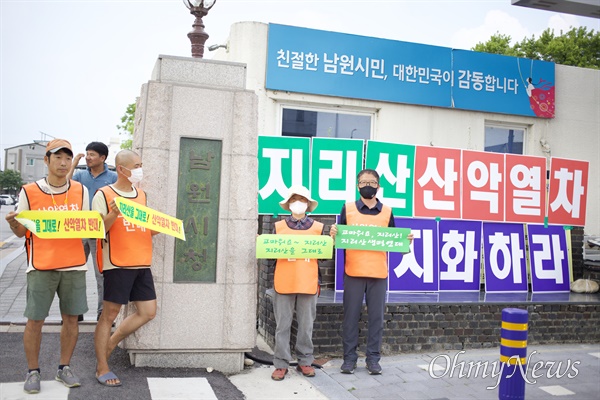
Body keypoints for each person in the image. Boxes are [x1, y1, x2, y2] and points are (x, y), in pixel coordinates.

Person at [5, 139, 90, 394]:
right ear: (47, 160)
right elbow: (21, 233)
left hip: (74, 265)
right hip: (41, 264)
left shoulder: (81, 191)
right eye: (58, 158)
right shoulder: (29, 191)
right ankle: (33, 371)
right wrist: (12, 223)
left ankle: (64, 367)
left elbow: (86, 226)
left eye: (67, 158)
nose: (63, 163)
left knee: (71, 319)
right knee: (35, 320)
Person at [329, 169, 412, 375]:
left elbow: (394, 239)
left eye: (372, 182)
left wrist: (405, 241)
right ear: (358, 185)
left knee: (376, 319)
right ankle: (349, 359)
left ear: (378, 186)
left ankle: (373, 359)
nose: (368, 185)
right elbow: (340, 238)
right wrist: (333, 234)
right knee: (350, 318)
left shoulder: (387, 211)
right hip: (353, 272)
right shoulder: (347, 209)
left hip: (378, 273)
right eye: (363, 181)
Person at [93, 149, 159, 387]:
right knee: (109, 315)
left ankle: (109, 345)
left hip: (141, 261)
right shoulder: (104, 194)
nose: (140, 169)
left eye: (141, 164)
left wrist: (162, 226)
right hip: (117, 263)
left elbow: (145, 227)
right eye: (137, 165)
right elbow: (98, 230)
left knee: (148, 312)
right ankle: (102, 366)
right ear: (122, 169)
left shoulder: (141, 194)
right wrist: (113, 213)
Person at [270, 185, 323, 381]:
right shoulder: (277, 227)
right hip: (284, 281)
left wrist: (332, 241)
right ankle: (281, 363)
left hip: (308, 282)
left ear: (308, 204)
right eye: (294, 199)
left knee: (306, 325)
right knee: (282, 325)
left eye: (302, 199)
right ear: (289, 204)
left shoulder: (319, 228)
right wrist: (262, 243)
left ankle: (305, 361)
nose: (298, 203)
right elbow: (270, 254)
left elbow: (325, 256)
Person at [69, 142, 118, 321]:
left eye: (92, 154)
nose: (87, 157)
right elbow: (65, 187)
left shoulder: (113, 177)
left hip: (100, 231)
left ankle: (101, 312)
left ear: (103, 158)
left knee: (101, 275)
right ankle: (75, 311)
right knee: (75, 272)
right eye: (87, 154)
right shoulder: (80, 175)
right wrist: (74, 164)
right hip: (80, 229)